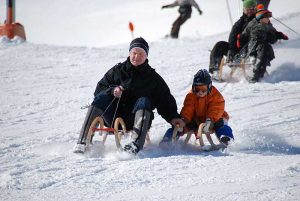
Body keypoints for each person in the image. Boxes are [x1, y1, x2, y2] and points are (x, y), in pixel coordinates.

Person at [74, 37, 185, 154]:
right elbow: (100, 88)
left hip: (137, 120)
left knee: (144, 101)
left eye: (141, 54)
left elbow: (165, 100)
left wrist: (173, 117)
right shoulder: (117, 70)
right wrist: (113, 91)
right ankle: (83, 141)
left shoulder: (153, 78)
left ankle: (135, 144)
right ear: (129, 53)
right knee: (101, 97)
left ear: (146, 56)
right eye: (134, 53)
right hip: (113, 116)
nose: (136, 57)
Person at [160, 69, 234, 147]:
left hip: (214, 119)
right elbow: (188, 109)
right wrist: (184, 120)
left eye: (203, 89)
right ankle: (167, 140)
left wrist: (210, 120)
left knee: (221, 125)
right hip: (196, 119)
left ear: (209, 87)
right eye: (197, 89)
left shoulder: (215, 95)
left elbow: (216, 108)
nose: (200, 92)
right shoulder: (191, 95)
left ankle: (226, 138)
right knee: (179, 126)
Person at [209, 0, 256, 80]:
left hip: (250, 50)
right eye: (247, 9)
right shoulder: (240, 23)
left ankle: (255, 72)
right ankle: (215, 71)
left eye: (252, 9)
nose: (249, 11)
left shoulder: (259, 21)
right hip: (237, 50)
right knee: (219, 45)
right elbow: (232, 37)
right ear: (243, 10)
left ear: (255, 9)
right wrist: (231, 50)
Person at [240, 4, 288, 82]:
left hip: (263, 48)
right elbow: (245, 33)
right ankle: (256, 70)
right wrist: (241, 38)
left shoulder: (268, 25)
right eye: (267, 17)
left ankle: (259, 72)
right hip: (253, 47)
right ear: (261, 18)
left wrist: (280, 35)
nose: (268, 19)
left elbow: (274, 33)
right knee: (261, 46)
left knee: (264, 49)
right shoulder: (254, 24)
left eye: (269, 17)